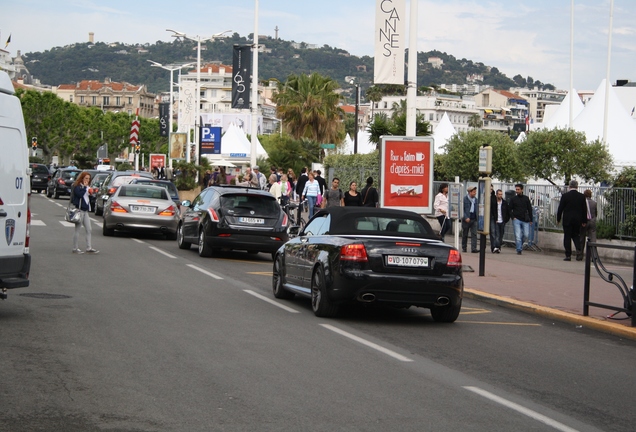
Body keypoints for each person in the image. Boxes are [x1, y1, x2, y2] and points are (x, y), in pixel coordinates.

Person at [557, 180, 588, 261]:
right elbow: (584, 210)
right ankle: (578, 251)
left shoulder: (565, 196)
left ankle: (568, 255)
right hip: (577, 220)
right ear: (577, 187)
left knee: (567, 237)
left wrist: (558, 219)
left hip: (567, 220)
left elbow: (560, 208)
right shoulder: (581, 196)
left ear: (569, 186)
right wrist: (584, 221)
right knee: (576, 236)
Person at [71, 171, 99, 254]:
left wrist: (90, 192)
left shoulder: (87, 187)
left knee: (89, 229)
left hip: (85, 210)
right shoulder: (77, 186)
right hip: (79, 210)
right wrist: (84, 188)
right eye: (86, 178)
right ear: (82, 178)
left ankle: (89, 247)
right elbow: (79, 195)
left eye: (89, 179)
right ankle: (75, 248)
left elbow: (88, 197)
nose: (87, 180)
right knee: (78, 229)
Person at [509, 184, 533, 255]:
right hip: (516, 219)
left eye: (518, 189)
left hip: (525, 219)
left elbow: (529, 209)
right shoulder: (513, 199)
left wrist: (531, 219)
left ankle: (519, 244)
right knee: (518, 235)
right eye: (516, 189)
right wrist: (513, 217)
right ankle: (519, 249)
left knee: (526, 234)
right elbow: (509, 209)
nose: (517, 191)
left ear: (522, 190)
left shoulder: (526, 198)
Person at [490, 189, 510, 253]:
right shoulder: (494, 202)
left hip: (502, 221)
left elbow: (507, 212)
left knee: (501, 235)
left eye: (501, 194)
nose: (500, 195)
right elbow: (492, 211)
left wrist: (505, 220)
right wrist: (495, 218)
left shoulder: (504, 203)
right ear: (496, 195)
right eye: (499, 194)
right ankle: (495, 247)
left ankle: (498, 247)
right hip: (496, 220)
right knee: (496, 234)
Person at [461, 186, 479, 253]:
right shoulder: (464, 199)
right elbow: (462, 209)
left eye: (475, 192)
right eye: (474, 192)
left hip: (474, 219)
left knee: (474, 234)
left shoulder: (476, 200)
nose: (475, 193)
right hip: (466, 219)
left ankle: (473, 248)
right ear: (469, 192)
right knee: (465, 234)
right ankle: (464, 247)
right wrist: (465, 217)